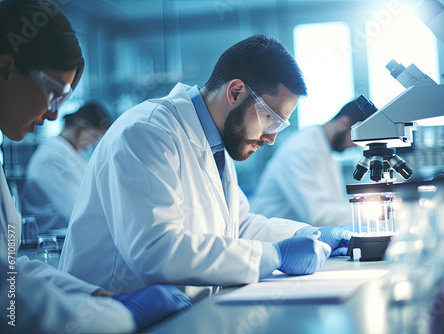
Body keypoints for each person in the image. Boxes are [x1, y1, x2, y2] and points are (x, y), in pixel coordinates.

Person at [59, 34, 353, 301]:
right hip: (114, 317)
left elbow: (239, 226)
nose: (272, 138)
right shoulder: (146, 132)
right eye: (270, 120)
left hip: (180, 313)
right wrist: (275, 256)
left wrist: (311, 234)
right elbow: (156, 252)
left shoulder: (217, 143)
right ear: (235, 92)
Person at [0, 1, 190, 332]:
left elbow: (12, 271)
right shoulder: (50, 157)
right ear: (5, 68)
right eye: (52, 93)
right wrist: (119, 316)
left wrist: (99, 297)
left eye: (61, 101)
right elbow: (10, 300)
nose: (53, 114)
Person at [250, 101, 367, 226]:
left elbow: (334, 203)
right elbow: (319, 216)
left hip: (302, 236)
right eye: (357, 138)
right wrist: (372, 213)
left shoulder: (324, 147)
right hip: (274, 239)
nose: (355, 147)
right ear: (344, 122)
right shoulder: (302, 149)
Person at [22, 101, 113, 233]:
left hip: (73, 234)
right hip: (54, 241)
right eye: (95, 136)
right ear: (81, 127)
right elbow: (77, 212)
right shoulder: (51, 159)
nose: (93, 143)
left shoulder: (73, 153)